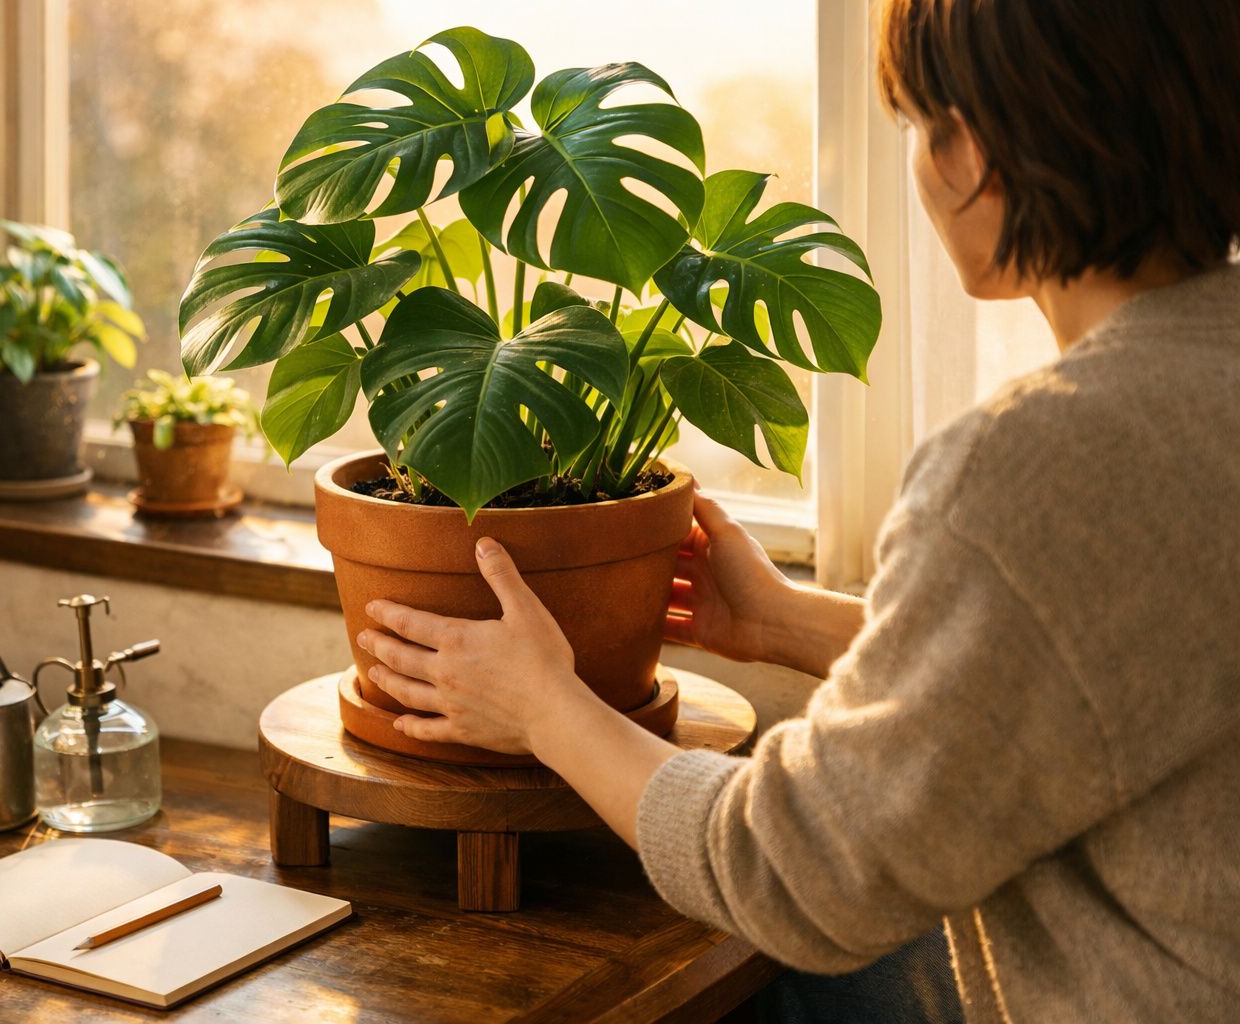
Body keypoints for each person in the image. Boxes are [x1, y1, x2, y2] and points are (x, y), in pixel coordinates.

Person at [354, 0, 1240, 1020]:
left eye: (917, 123)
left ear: (973, 153)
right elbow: (1107, 666)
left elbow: (797, 875)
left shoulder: (1039, 465)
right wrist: (789, 623)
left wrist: (545, 710)